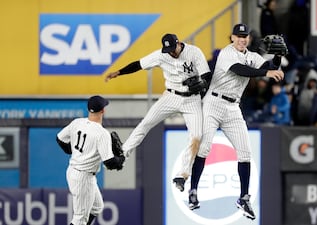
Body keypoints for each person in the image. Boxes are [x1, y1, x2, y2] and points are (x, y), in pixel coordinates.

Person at [188, 23, 284, 220]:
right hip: (213, 103)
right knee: (204, 148)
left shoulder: (251, 56)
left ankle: (244, 198)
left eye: (245, 36)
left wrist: (278, 56)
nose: (242, 39)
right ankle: (193, 191)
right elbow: (241, 70)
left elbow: (270, 67)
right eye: (238, 36)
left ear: (248, 38)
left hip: (233, 107)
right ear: (232, 37)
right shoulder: (226, 53)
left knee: (245, 152)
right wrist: (265, 73)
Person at [105, 33, 211, 192]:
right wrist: (118, 72)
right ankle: (122, 155)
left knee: (196, 137)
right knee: (145, 123)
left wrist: (202, 84)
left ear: (178, 43)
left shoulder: (194, 52)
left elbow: (207, 75)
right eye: (167, 49)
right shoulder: (161, 55)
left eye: (172, 48)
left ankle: (182, 175)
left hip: (191, 100)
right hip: (170, 96)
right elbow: (138, 64)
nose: (171, 52)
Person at [56, 95, 125, 225]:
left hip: (73, 171)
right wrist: (121, 159)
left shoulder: (77, 122)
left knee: (97, 207)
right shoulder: (102, 133)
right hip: (83, 177)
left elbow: (59, 138)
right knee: (79, 219)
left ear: (89, 110)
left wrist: (72, 151)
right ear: (103, 111)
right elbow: (109, 163)